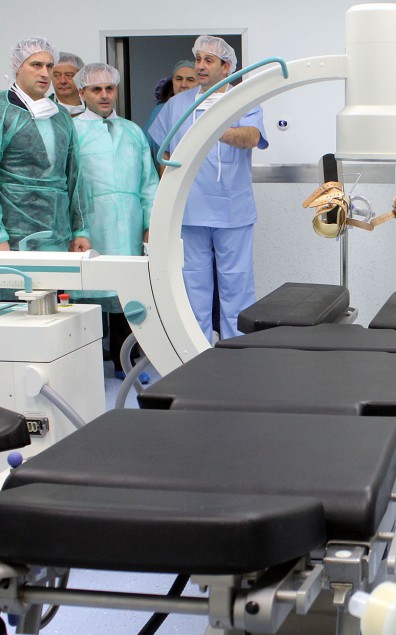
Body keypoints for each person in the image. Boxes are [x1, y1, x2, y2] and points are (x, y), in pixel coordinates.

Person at [148, 36, 268, 341]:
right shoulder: (178, 104)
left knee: (237, 284)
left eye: (208, 60)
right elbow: (164, 152)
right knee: (193, 285)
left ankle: (238, 351)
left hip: (232, 209)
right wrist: (167, 199)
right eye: (198, 59)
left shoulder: (242, 99)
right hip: (188, 209)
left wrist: (216, 129)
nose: (200, 66)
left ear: (226, 67)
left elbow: (252, 137)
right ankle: (197, 350)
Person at [0, 37, 90, 300]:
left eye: (49, 66)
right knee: (17, 311)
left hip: (57, 236)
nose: (45, 73)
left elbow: (73, 177)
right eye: (36, 65)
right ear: (17, 67)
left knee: (55, 311)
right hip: (12, 236)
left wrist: (79, 230)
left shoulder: (60, 116)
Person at [71, 62, 158, 382]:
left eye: (109, 88)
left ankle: (126, 362)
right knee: (88, 294)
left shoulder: (133, 131)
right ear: (82, 93)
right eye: (96, 89)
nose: (104, 95)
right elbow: (70, 184)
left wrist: (150, 223)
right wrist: (77, 228)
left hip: (130, 223)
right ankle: (86, 364)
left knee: (127, 293)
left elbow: (149, 182)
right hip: (91, 224)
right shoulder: (72, 131)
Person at [144, 59, 197, 163]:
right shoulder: (161, 110)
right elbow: (144, 148)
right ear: (172, 81)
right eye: (178, 79)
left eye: (190, 80)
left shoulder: (206, 110)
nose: (183, 84)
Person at [51, 52, 85, 116]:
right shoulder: (44, 109)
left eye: (69, 75)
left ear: (80, 78)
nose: (62, 81)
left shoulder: (94, 108)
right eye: (57, 75)